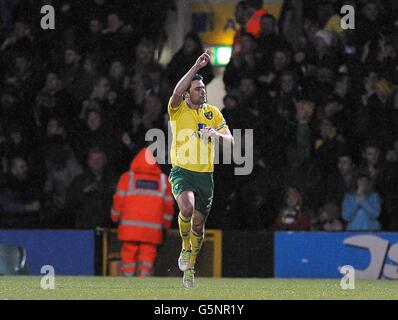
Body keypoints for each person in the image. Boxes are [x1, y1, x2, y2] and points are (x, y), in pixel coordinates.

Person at [168, 50, 234, 288]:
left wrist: (216, 133)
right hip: (182, 171)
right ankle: (185, 249)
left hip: (205, 176)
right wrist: (195, 67)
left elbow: (231, 141)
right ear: (187, 94)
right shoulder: (177, 109)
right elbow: (176, 92)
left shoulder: (212, 113)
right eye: (197, 88)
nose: (202, 90)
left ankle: (191, 267)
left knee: (198, 225)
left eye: (203, 88)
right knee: (186, 207)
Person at [110, 147, 175, 277]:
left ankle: (128, 276)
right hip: (152, 229)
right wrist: (166, 224)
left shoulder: (127, 178)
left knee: (129, 250)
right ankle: (144, 276)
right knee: (148, 251)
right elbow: (169, 206)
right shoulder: (163, 181)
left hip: (130, 228)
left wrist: (114, 217)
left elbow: (118, 200)